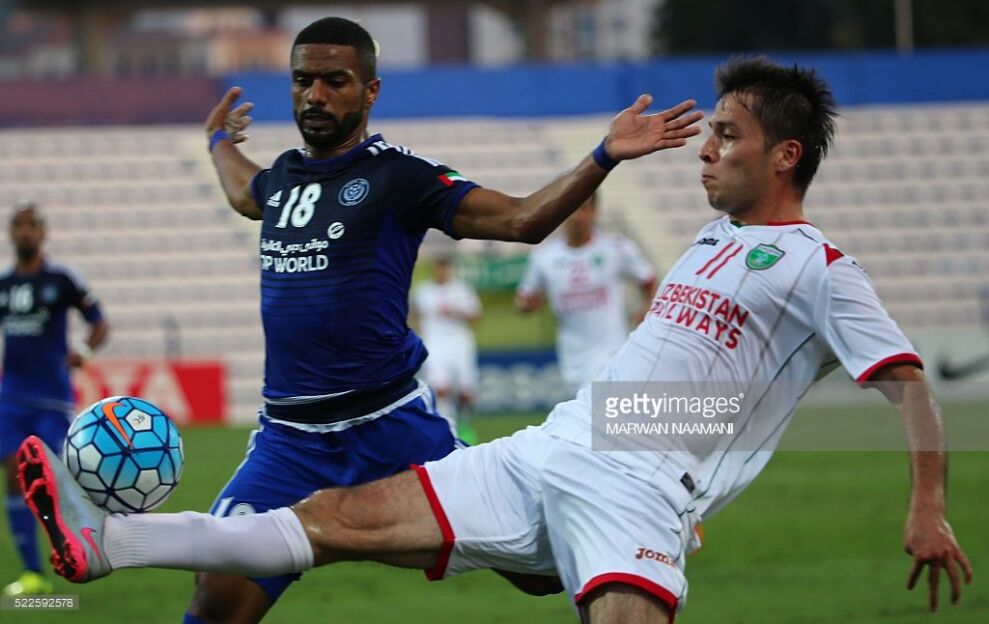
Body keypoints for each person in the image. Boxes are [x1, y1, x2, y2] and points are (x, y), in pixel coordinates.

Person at [18, 56, 973, 623]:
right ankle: (102, 545)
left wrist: (924, 507)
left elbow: (907, 383)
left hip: (633, 493)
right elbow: (684, 374)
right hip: (553, 446)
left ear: (785, 155)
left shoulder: (819, 266)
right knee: (331, 519)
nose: (706, 148)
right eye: (710, 132)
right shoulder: (709, 241)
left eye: (725, 134)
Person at [130, 16, 699, 623]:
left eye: (334, 81)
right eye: (302, 80)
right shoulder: (283, 179)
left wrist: (603, 156)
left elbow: (521, 219)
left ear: (370, 91)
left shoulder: (401, 176)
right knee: (218, 597)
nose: (315, 95)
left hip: (393, 430)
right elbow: (244, 193)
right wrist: (218, 141)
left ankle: (650, 514)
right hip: (289, 444)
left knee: (539, 570)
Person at [0, 201, 108, 596]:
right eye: (18, 225)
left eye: (32, 225)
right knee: (13, 474)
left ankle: (84, 548)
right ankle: (32, 572)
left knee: (57, 478)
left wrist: (83, 351)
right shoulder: (4, 284)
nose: (25, 232)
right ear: (11, 233)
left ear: (44, 233)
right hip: (11, 397)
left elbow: (99, 322)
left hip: (52, 398)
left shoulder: (62, 278)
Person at [516, 193, 656, 394]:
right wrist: (527, 305)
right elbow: (524, 297)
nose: (577, 217)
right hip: (571, 356)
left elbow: (647, 278)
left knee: (597, 404)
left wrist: (646, 308)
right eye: (571, 210)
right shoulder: (544, 256)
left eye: (583, 209)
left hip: (611, 350)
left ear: (594, 212)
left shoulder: (615, 247)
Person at [410, 254, 482, 442]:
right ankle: (449, 429)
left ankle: (466, 424)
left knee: (465, 391)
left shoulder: (462, 289)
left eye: (445, 269)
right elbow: (414, 314)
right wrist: (418, 333)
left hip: (460, 343)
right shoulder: (423, 291)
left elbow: (476, 316)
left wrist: (458, 312)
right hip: (434, 343)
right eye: (439, 269)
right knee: (440, 388)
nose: (442, 272)